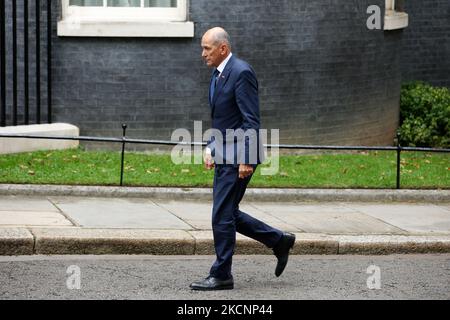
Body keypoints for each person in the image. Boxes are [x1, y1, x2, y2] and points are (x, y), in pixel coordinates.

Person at [189, 27, 296, 291]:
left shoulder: (241, 72)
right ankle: (278, 241)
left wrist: (247, 159)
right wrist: (210, 147)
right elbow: (223, 119)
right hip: (225, 153)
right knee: (228, 213)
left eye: (207, 48)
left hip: (239, 157)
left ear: (222, 48)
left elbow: (251, 120)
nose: (203, 54)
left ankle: (222, 274)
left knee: (221, 215)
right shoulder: (217, 75)